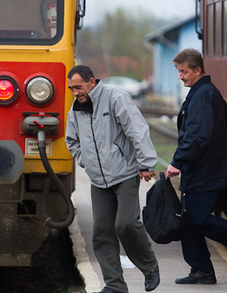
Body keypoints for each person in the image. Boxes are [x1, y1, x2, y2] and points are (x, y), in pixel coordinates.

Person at [166, 49, 227, 285]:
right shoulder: (206, 92)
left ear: (198, 70)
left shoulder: (202, 95)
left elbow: (197, 136)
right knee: (188, 219)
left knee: (197, 219)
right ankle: (202, 270)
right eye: (179, 71)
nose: (181, 76)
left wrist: (178, 162)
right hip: (204, 167)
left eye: (184, 71)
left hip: (204, 169)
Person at [65, 65, 160, 293]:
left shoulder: (116, 97)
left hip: (125, 173)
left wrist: (146, 163)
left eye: (78, 87)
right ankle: (115, 285)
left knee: (126, 224)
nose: (75, 92)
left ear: (91, 82)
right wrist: (85, 160)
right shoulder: (76, 109)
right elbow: (71, 141)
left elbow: (137, 130)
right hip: (98, 179)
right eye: (71, 89)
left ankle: (149, 266)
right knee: (102, 232)